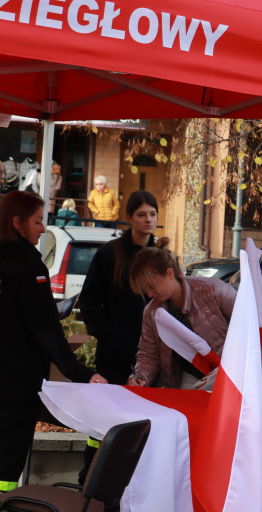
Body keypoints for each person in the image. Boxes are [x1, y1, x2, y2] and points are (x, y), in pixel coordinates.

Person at [0, 191, 105, 512]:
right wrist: (80, 373)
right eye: (39, 220)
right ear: (17, 221)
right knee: (7, 466)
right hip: (16, 381)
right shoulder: (29, 265)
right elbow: (46, 330)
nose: (44, 228)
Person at [76, 190, 158, 480]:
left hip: (151, 357)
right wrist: (103, 334)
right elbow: (88, 301)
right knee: (103, 423)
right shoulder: (110, 253)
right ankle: (91, 478)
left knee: (144, 421)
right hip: (113, 354)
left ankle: (137, 485)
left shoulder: (161, 255)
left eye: (152, 214)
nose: (148, 220)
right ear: (129, 218)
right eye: (141, 214)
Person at [127, 241, 236, 388]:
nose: (150, 294)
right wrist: (140, 376)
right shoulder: (151, 312)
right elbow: (148, 354)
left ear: (170, 273)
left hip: (229, 373)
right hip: (186, 379)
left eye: (152, 287)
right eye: (145, 289)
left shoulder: (213, 289)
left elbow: (248, 323)